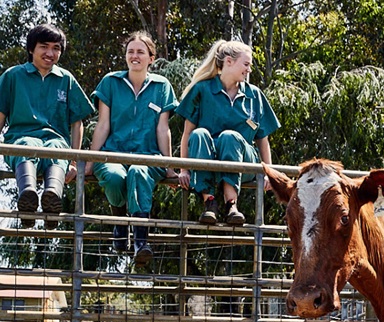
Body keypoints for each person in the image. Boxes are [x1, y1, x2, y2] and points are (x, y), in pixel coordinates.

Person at [89, 31, 180, 266]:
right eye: (131, 51)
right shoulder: (111, 82)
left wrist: (169, 167)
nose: (135, 56)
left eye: (141, 52)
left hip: (148, 155)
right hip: (114, 152)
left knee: (138, 172)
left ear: (151, 58)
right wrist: (89, 162)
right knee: (114, 176)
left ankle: (141, 240)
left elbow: (163, 129)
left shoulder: (162, 86)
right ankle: (120, 223)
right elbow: (103, 124)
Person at [0, 24, 95, 229]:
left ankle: (52, 198)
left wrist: (74, 161)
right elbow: (0, 114)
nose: (50, 53)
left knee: (57, 149)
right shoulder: (13, 76)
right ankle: (28, 197)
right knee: (26, 146)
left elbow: (77, 123)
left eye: (56, 48)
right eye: (44, 46)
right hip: (21, 136)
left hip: (55, 140)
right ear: (31, 49)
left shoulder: (66, 79)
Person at [175, 40, 279, 225]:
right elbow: (187, 134)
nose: (249, 70)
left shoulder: (254, 95)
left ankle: (231, 204)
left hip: (243, 163)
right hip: (207, 161)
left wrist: (269, 173)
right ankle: (210, 203)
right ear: (229, 62)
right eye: (246, 64)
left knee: (229, 136)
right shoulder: (202, 90)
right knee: (199, 134)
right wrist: (184, 170)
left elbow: (263, 140)